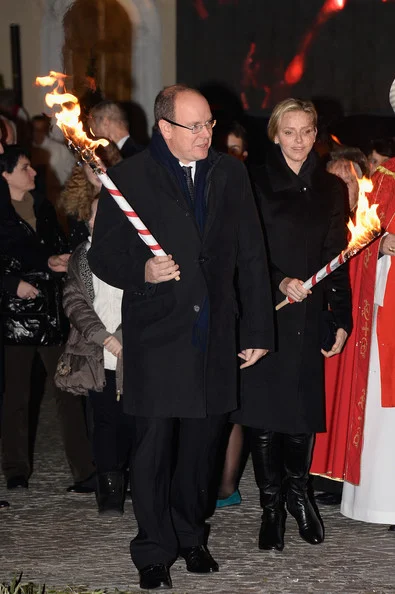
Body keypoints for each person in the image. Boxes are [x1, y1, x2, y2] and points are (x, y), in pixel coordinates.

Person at [88, 84, 274, 590]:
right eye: (194, 126)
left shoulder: (230, 172)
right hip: (157, 335)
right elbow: (101, 255)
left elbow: (252, 254)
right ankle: (153, 550)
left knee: (201, 449)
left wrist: (256, 327)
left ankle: (192, 537)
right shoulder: (127, 179)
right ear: (164, 129)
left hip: (214, 332)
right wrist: (142, 271)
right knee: (151, 450)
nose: (206, 134)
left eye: (209, 123)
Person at [233, 98, 352, 552]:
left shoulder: (330, 189)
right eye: (289, 132)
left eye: (306, 131)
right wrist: (278, 280)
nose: (299, 141)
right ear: (275, 134)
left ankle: (299, 495)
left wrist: (339, 317)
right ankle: (270, 507)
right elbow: (244, 253)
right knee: (264, 419)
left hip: (308, 316)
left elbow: (337, 259)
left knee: (300, 416)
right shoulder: (255, 181)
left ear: (316, 132)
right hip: (268, 311)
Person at [0, 146, 95, 491]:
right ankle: (15, 470)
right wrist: (13, 284)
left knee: (68, 391)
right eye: (26, 168)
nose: (34, 173)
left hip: (51, 313)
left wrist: (57, 262)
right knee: (17, 396)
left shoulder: (43, 206)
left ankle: (84, 471)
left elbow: (48, 251)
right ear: (6, 174)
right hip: (16, 317)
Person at [56, 198, 132, 515]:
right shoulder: (82, 257)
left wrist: (126, 336)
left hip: (135, 353)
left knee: (135, 423)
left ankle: (139, 481)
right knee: (104, 423)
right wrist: (104, 338)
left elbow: (148, 299)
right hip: (98, 355)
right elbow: (75, 301)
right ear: (88, 221)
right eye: (97, 215)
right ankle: (110, 488)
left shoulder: (135, 254)